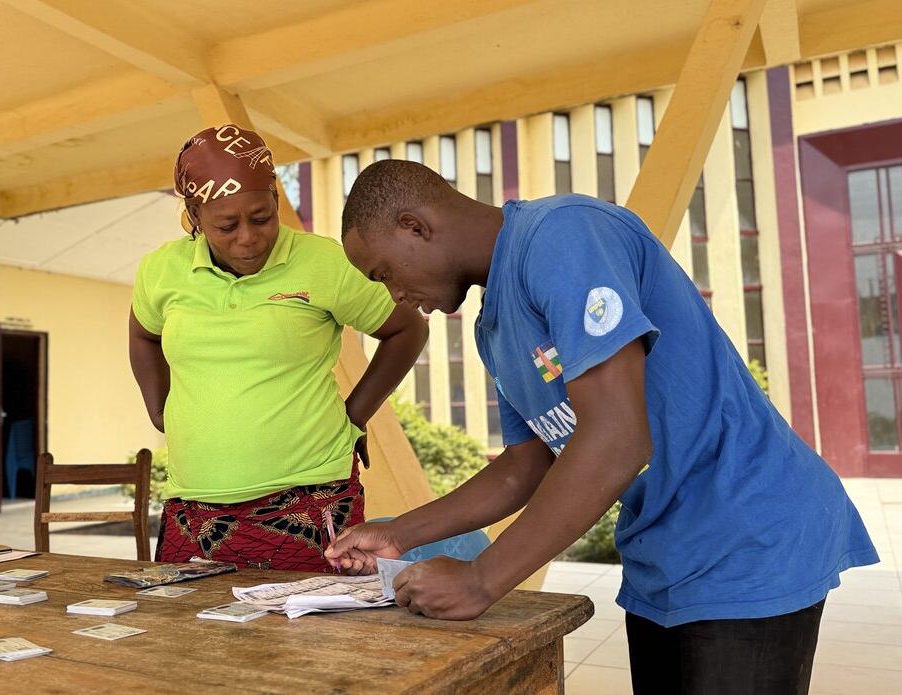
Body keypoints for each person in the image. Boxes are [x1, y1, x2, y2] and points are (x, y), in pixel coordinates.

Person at [326, 159, 878, 694]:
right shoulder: (493, 330)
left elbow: (618, 438)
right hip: (664, 551)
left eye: (384, 273)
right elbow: (526, 468)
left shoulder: (563, 234)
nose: (394, 295)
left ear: (415, 226)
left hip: (747, 528)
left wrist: (482, 579)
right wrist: (398, 536)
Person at [129, 126, 427, 572]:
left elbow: (407, 330)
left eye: (262, 217)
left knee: (313, 637)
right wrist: (159, 407)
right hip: (195, 506)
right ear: (194, 212)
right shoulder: (162, 270)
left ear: (274, 198)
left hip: (311, 498)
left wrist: (355, 414)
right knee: (192, 634)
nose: (248, 237)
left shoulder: (325, 262)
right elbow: (143, 335)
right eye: (226, 225)